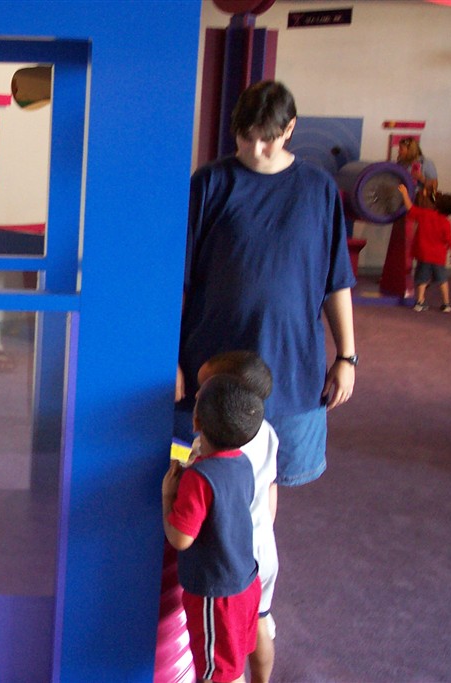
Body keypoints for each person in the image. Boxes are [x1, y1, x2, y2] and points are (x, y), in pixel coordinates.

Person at [175, 80, 357, 487]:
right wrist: (168, 357)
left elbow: (337, 281)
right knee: (201, 478)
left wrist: (347, 357)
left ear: (290, 128)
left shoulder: (319, 189)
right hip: (213, 365)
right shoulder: (209, 184)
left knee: (271, 481)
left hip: (291, 369)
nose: (255, 149)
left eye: (267, 139)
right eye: (246, 137)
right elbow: (178, 285)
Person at [163, 374, 264, 683]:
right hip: (246, 582)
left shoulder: (199, 478)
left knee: (218, 676)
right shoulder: (243, 462)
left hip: (216, 597)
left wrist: (168, 496)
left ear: (196, 422)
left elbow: (181, 538)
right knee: (233, 665)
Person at [188, 351, 279, 683]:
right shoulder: (266, 431)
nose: (198, 398)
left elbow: (193, 518)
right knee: (259, 624)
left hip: (231, 563)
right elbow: (271, 490)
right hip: (261, 550)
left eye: (205, 391)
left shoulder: (211, 452)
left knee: (223, 661)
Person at [398, 184, 451, 313]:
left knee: (422, 279)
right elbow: (449, 240)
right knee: (442, 279)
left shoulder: (426, 214)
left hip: (424, 254)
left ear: (437, 204)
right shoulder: (446, 223)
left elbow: (410, 208)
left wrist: (404, 192)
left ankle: (420, 302)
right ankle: (446, 303)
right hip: (439, 257)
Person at [396, 136, 439, 203]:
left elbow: (434, 185)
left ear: (410, 150)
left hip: (419, 200)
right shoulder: (401, 163)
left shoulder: (426, 163)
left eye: (401, 149)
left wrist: (422, 178)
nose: (399, 151)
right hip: (402, 199)